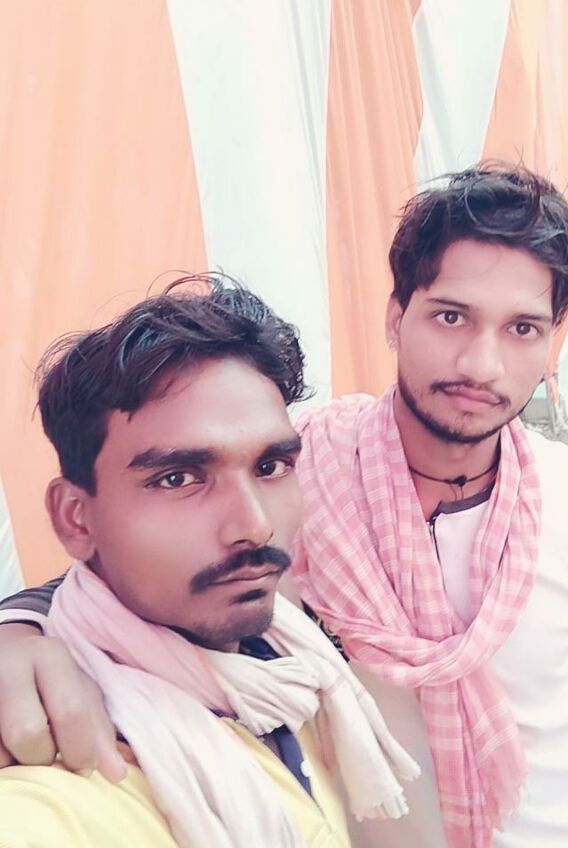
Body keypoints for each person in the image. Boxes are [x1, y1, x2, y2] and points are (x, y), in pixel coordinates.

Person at [1, 162, 568, 848]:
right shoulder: (292, 468)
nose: (482, 365)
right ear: (396, 316)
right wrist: (18, 633)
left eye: (522, 329)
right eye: (451, 316)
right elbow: (120, 562)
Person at [0, 280, 418, 848]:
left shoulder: (288, 664)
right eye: (178, 478)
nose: (254, 525)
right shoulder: (55, 780)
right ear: (76, 519)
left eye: (270, 467)